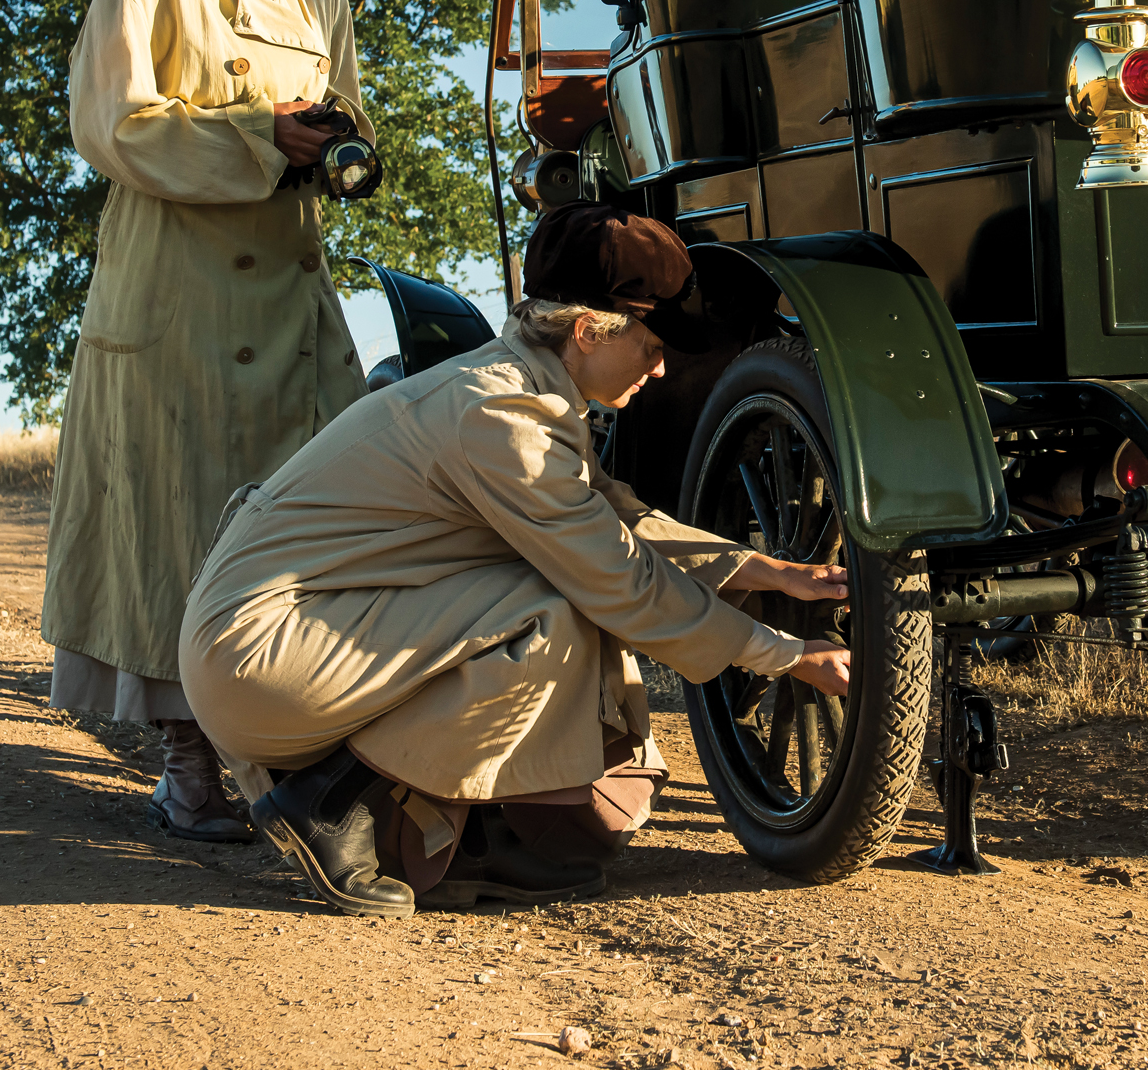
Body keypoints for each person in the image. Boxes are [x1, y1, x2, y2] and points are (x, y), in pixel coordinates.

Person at [179, 203, 853, 914]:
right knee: (556, 606)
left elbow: (611, 514)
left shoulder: (517, 386)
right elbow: (618, 576)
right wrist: (786, 655)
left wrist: (760, 569)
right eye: (656, 346)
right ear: (589, 331)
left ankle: (459, 828)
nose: (661, 368)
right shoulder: (499, 416)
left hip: (279, 637)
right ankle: (331, 800)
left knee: (562, 594)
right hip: (257, 654)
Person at [43, 0, 376, 842]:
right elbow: (112, 125)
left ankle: (305, 747)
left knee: (311, 514)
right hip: (173, 292)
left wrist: (337, 149)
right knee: (178, 520)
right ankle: (189, 759)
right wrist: (253, 135)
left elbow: (352, 105)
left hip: (289, 284)